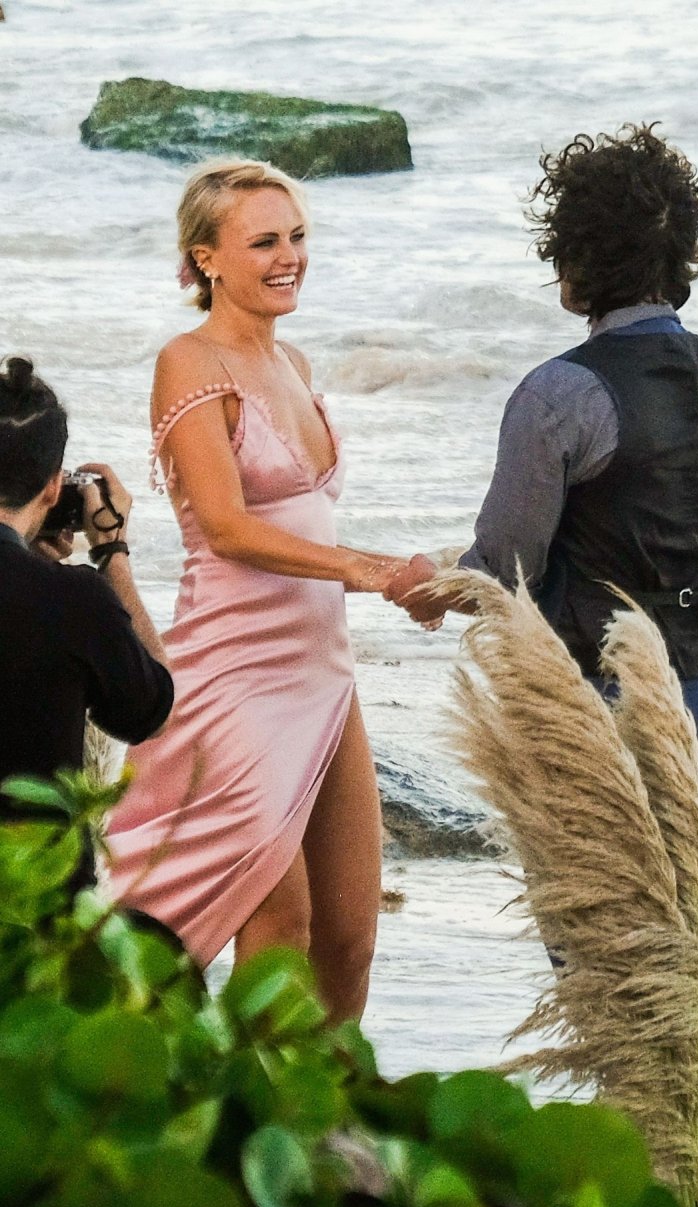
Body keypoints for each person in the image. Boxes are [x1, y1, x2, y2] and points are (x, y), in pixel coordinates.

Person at [386, 123, 698, 815]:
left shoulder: (558, 394)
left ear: (578, 258)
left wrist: (430, 585)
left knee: (581, 895)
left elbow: (504, 575)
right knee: (679, 888)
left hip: (592, 707)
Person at [107, 158, 409, 1023]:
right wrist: (366, 570)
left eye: (297, 237)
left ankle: (326, 1108)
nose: (289, 258)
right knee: (279, 919)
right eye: (264, 241)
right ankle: (234, 1103)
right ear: (205, 259)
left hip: (323, 673)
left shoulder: (294, 361)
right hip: (233, 672)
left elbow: (304, 518)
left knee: (349, 937)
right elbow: (228, 528)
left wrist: (417, 579)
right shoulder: (188, 360)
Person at [0, 356, 174, 894]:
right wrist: (111, 553)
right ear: (54, 488)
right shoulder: (72, 600)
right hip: (36, 908)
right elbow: (152, 710)